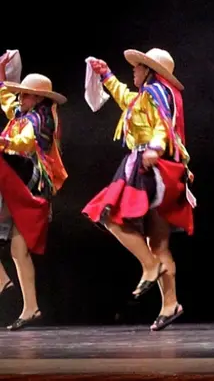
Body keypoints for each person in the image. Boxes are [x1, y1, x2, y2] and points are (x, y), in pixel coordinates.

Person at [82, 48, 193, 331]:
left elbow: (162, 124)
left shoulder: (156, 93)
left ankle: (149, 266)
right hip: (161, 169)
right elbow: (123, 97)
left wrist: (155, 147)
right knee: (159, 243)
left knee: (107, 214)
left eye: (137, 67)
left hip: (147, 165)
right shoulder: (144, 96)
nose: (133, 70)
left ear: (149, 70)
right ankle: (170, 304)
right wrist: (105, 75)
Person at [0, 58, 68, 331]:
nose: (20, 97)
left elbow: (24, 142)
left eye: (24, 93)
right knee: (18, 249)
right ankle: (30, 307)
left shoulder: (41, 120)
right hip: (17, 180)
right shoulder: (23, 113)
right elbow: (5, 99)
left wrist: (3, 141)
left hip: (28, 184)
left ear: (37, 97)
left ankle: (5, 282)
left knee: (18, 247)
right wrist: (2, 72)